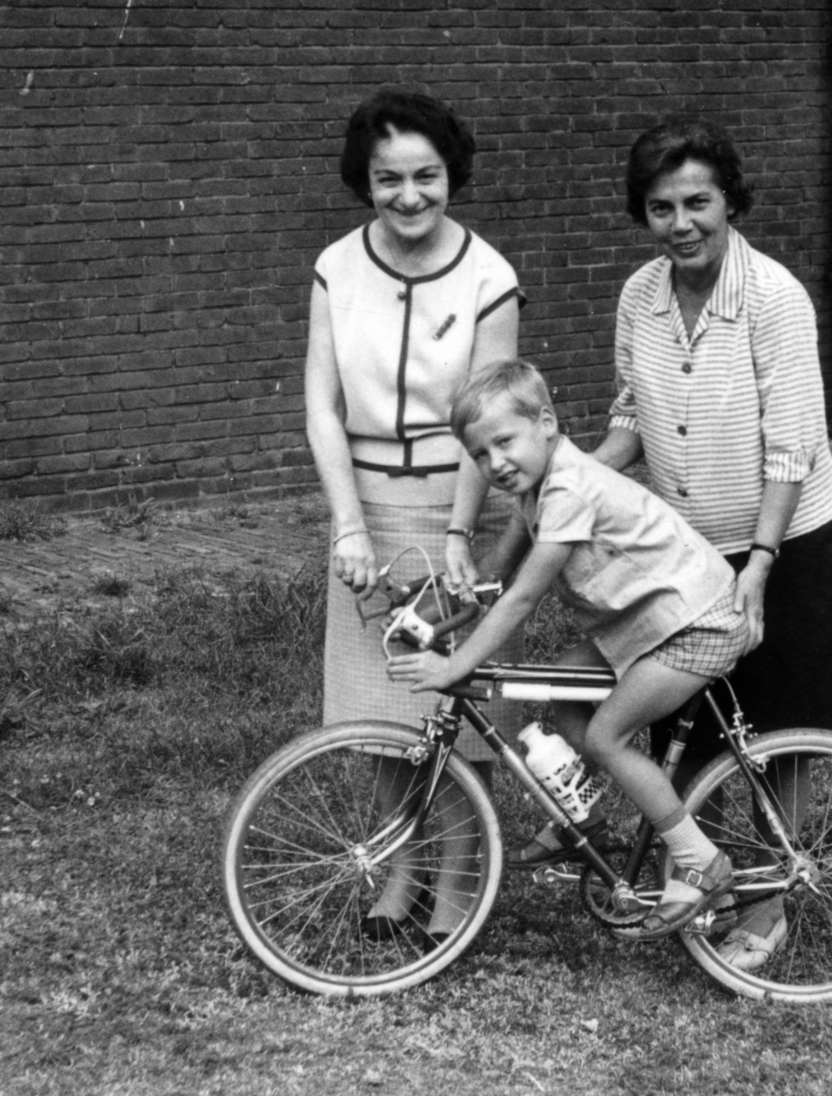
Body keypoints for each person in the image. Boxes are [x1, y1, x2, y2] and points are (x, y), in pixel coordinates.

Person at [591, 117, 832, 970]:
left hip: (787, 540)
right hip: (690, 547)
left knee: (782, 723)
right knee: (695, 724)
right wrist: (574, 486)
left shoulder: (773, 296)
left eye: (698, 202)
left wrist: (763, 566)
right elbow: (630, 416)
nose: (681, 223)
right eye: (661, 207)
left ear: (729, 202)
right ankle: (700, 873)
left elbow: (792, 446)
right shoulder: (640, 295)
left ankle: (772, 899)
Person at [388, 359, 749, 939]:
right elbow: (494, 581)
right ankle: (587, 822)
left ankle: (702, 861)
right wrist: (427, 608)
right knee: (561, 687)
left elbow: (524, 596)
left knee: (605, 737)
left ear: (548, 423)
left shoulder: (571, 487)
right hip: (646, 621)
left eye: (504, 442)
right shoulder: (535, 490)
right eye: (480, 455)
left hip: (696, 622)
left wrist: (455, 664)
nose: (495, 463)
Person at [304, 90, 523, 942]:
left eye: (425, 177)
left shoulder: (490, 277)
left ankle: (461, 880)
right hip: (366, 514)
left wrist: (462, 537)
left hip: (451, 504)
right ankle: (402, 867)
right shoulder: (334, 267)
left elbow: (489, 420)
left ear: (451, 175)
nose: (408, 196)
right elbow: (322, 407)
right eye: (387, 179)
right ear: (364, 180)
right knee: (376, 712)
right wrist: (349, 523)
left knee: (456, 712)